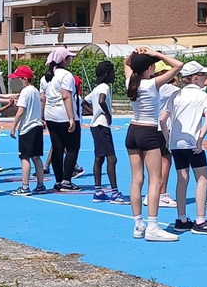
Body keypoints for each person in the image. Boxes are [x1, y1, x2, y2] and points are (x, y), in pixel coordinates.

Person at [124, 47, 183, 242]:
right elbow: (178, 66)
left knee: (136, 180)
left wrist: (135, 53)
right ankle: (153, 226)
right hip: (148, 132)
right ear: (150, 68)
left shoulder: (130, 82)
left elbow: (126, 63)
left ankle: (138, 224)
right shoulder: (152, 84)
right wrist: (156, 54)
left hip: (132, 131)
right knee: (155, 180)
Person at [160, 61, 207, 235]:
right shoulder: (203, 96)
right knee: (203, 178)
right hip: (192, 142)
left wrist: (168, 139)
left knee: (182, 179)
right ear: (195, 78)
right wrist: (201, 138)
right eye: (202, 75)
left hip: (176, 143)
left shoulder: (175, 95)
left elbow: (162, 120)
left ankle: (181, 219)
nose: (205, 78)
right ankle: (200, 220)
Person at [86, 61, 127, 204]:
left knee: (99, 158)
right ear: (107, 74)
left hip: (95, 125)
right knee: (112, 159)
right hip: (102, 126)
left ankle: (98, 191)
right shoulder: (104, 87)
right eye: (112, 72)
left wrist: (94, 113)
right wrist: (107, 115)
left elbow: (84, 102)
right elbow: (102, 100)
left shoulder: (96, 88)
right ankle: (115, 193)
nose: (114, 75)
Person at [42, 47, 81, 192]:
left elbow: (42, 98)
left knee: (57, 148)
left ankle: (58, 180)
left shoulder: (45, 78)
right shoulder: (66, 75)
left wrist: (42, 117)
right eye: (69, 58)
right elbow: (66, 96)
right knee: (72, 148)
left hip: (51, 116)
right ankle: (66, 181)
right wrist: (71, 118)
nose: (70, 60)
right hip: (64, 115)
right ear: (64, 60)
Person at [142, 61, 179, 208]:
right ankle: (161, 194)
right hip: (162, 128)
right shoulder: (167, 87)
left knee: (152, 164)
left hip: (149, 127)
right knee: (165, 161)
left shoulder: (147, 86)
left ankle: (151, 193)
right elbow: (187, 94)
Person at [8, 65, 47, 196]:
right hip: (36, 126)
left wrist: (13, 126)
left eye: (18, 79)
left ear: (24, 79)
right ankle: (40, 185)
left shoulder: (25, 91)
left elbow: (21, 111)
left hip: (27, 128)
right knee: (36, 157)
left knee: (25, 157)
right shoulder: (35, 90)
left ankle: (25, 186)